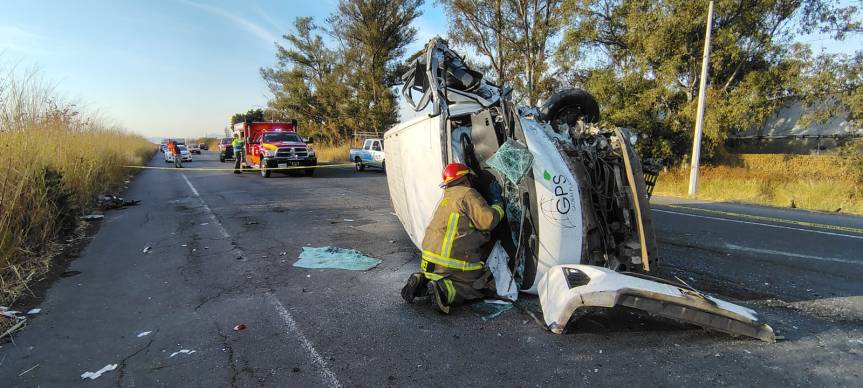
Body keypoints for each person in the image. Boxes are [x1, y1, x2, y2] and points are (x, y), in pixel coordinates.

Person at [401, 162, 505, 314]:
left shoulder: (446, 197)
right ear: (466, 179)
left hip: (429, 261)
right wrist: (498, 204)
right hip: (449, 263)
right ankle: (444, 290)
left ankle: (422, 281)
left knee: (443, 276)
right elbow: (487, 221)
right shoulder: (468, 193)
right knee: (475, 286)